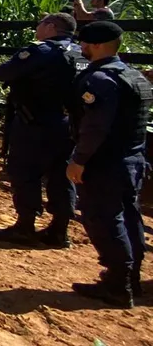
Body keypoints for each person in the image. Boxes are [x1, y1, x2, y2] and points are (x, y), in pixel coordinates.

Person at [66, 21, 153, 308]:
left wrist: (79, 159)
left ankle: (118, 283)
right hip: (134, 159)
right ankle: (132, 278)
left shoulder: (101, 80)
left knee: (104, 219)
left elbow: (96, 126)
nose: (82, 48)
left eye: (85, 44)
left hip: (105, 162)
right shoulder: (135, 76)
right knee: (129, 216)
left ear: (98, 45)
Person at [0, 12, 79, 247]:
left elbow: (5, 72)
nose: (37, 28)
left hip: (35, 122)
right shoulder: (82, 52)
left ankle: (25, 225)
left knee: (25, 170)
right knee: (62, 174)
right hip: (71, 124)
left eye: (40, 24)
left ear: (50, 27)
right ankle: (60, 230)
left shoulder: (41, 51)